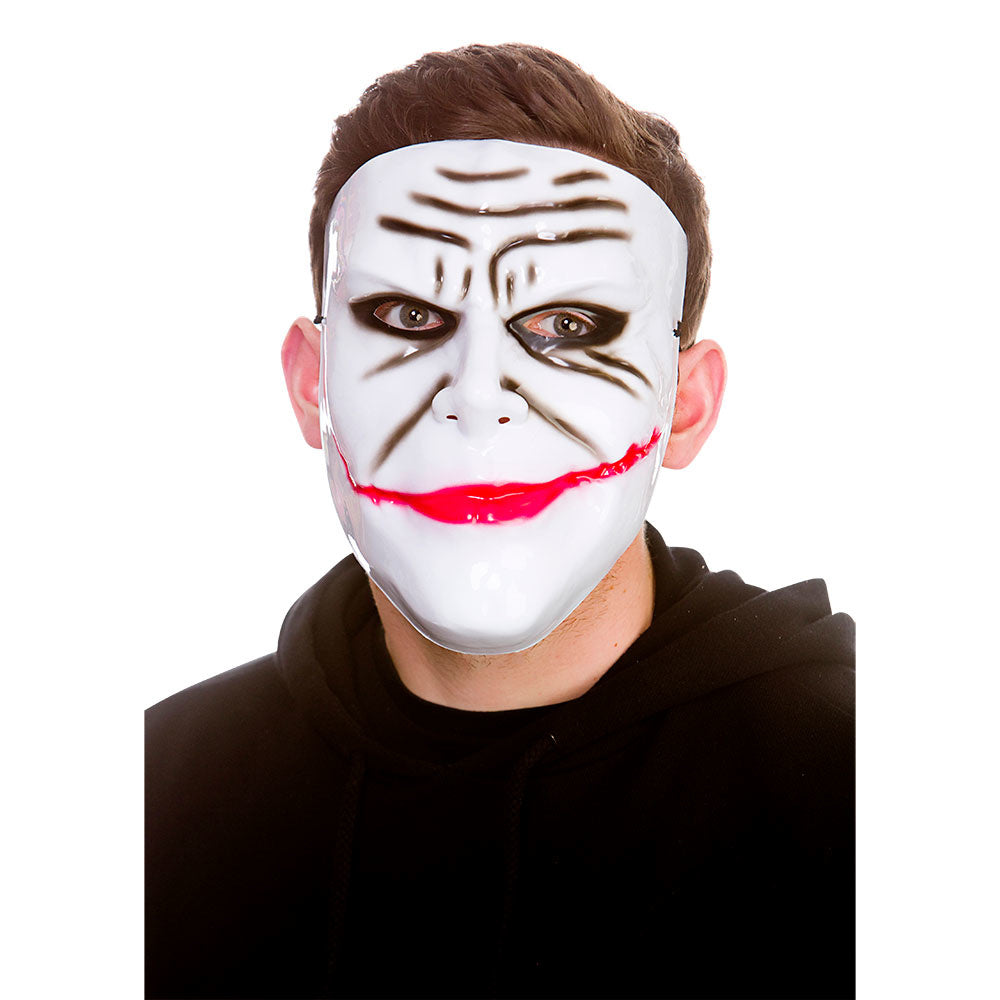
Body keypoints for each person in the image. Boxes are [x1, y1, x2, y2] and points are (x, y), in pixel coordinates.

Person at [146, 43, 854, 1000]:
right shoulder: (151, 801)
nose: (477, 396)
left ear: (683, 407)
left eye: (567, 326)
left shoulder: (867, 799)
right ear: (313, 384)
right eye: (406, 315)